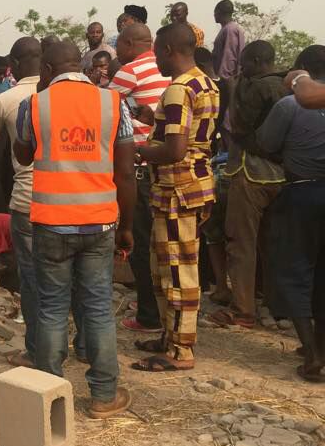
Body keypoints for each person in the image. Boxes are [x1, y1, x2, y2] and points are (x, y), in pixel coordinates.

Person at [13, 41, 135, 418]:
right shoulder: (113, 103)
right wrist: (127, 227)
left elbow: (22, 154)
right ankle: (103, 396)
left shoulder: (34, 105)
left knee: (50, 308)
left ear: (47, 68)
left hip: (50, 223)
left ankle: (49, 398)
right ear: (80, 65)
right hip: (99, 222)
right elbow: (127, 170)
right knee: (97, 306)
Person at [133, 23, 219, 372]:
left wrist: (139, 150)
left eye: (156, 50)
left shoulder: (179, 89)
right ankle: (170, 337)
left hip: (176, 189)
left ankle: (181, 350)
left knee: (177, 269)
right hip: (195, 185)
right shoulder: (206, 82)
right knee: (168, 264)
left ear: (169, 49)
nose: (154, 58)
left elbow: (174, 148)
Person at [257, 45, 325, 381]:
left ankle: (312, 354)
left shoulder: (290, 105)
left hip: (302, 192)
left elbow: (267, 143)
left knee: (296, 270)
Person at [210, 41, 285, 328]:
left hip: (251, 172)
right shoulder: (288, 87)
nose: (242, 68)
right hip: (280, 175)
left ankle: (243, 309)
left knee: (241, 242)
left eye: (245, 63)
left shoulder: (256, 87)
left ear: (256, 60)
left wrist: (232, 91)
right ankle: (272, 303)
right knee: (270, 242)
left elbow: (240, 128)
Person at [0, 37, 41, 367]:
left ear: (13, 66)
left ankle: (37, 350)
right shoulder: (86, 97)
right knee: (74, 277)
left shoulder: (5, 101)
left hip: (26, 198)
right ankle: (86, 346)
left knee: (32, 278)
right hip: (77, 200)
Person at [109, 23, 171, 334]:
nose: (116, 52)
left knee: (137, 236)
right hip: (163, 162)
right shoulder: (168, 70)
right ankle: (155, 302)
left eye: (118, 45)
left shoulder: (130, 71)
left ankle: (148, 314)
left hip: (137, 162)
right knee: (158, 240)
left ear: (131, 43)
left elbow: (103, 109)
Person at [213, 0, 246, 80]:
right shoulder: (227, 28)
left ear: (219, 12)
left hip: (227, 80)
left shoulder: (230, 29)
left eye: (215, 12)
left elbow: (229, 57)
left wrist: (223, 78)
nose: (214, 15)